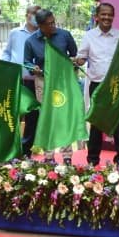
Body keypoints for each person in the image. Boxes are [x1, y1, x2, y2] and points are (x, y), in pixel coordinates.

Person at [76, 2, 119, 168]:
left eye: (110, 14)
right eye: (103, 14)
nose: (107, 17)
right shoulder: (89, 36)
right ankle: (92, 160)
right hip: (97, 85)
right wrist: (77, 60)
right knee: (97, 123)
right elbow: (82, 57)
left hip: (115, 86)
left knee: (118, 122)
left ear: (113, 16)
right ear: (96, 17)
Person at [24, 8, 78, 160]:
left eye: (54, 22)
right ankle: (49, 156)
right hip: (43, 81)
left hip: (63, 81)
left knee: (63, 117)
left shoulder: (65, 35)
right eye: (49, 24)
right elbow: (26, 62)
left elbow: (74, 55)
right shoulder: (31, 41)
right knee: (47, 117)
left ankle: (67, 155)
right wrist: (32, 68)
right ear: (40, 26)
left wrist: (73, 61)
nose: (53, 25)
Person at [3, 5, 41, 154]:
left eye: (38, 14)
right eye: (33, 13)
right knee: (12, 114)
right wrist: (6, 67)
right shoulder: (15, 33)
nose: (35, 17)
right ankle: (10, 148)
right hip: (15, 79)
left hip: (34, 81)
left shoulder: (42, 35)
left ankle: (26, 151)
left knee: (32, 117)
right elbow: (7, 52)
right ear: (27, 14)